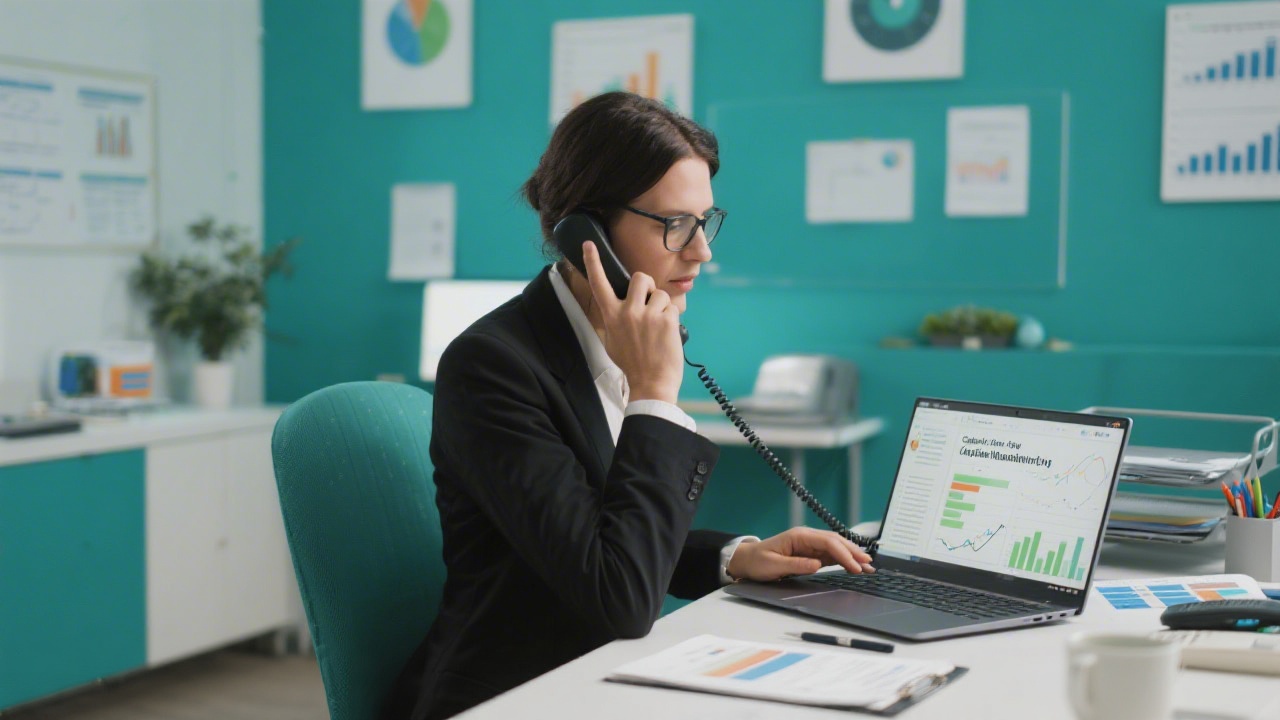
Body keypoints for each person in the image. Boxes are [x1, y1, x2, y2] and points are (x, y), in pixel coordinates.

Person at [382, 92, 874, 720]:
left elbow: (602, 535)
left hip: (604, 678)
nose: (701, 251)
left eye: (705, 221)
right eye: (675, 224)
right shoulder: (493, 367)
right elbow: (617, 595)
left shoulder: (613, 341)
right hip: (514, 695)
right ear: (586, 234)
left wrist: (733, 557)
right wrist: (654, 394)